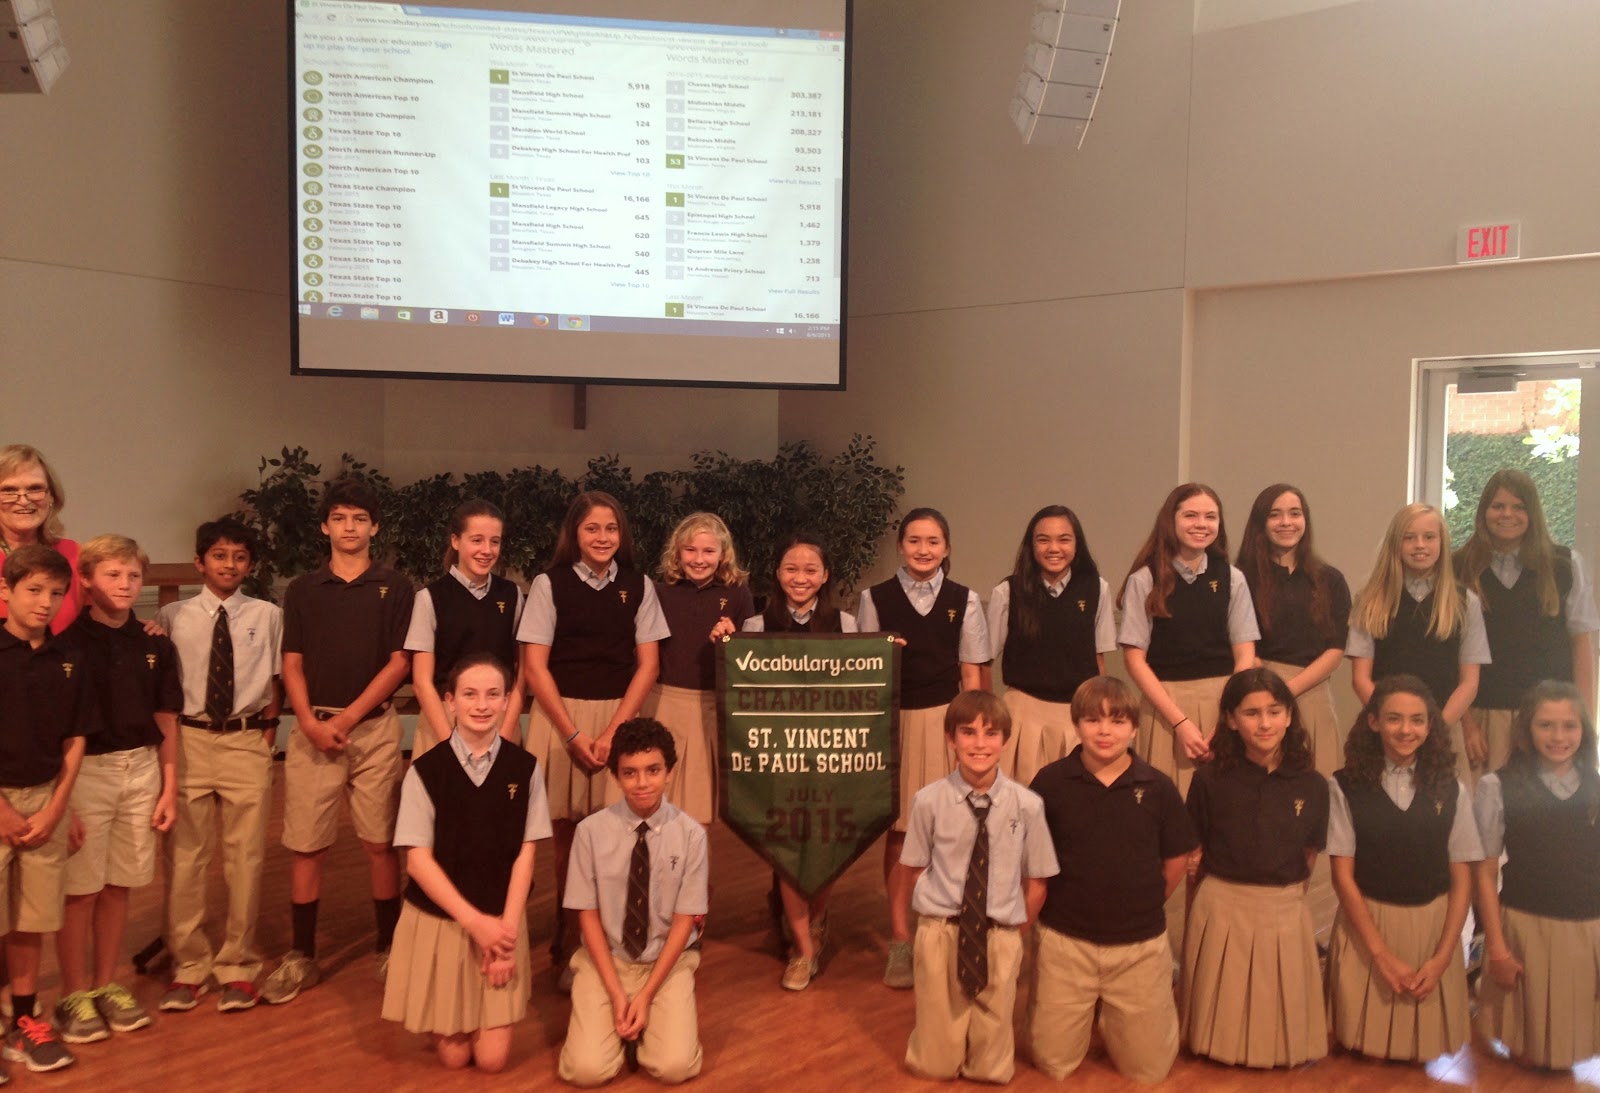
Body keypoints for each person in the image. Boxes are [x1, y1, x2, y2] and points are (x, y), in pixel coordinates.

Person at [264, 477, 415, 1004]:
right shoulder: (303, 589)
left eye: (360, 519)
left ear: (375, 527)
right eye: (340, 518)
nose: (350, 527)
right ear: (325, 526)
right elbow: (292, 662)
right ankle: (301, 955)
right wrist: (306, 722)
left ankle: (388, 945)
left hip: (373, 730)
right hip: (313, 730)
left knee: (380, 842)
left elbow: (400, 662)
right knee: (307, 844)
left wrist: (349, 718)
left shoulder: (395, 587)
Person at [517, 491, 667, 990]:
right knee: (566, 840)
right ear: (574, 534)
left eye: (611, 528)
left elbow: (648, 665)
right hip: (560, 718)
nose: (603, 537)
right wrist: (573, 733)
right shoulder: (549, 584)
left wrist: (614, 732)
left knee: (617, 839)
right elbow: (534, 667)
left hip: (618, 719)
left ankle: (614, 941)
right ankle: (568, 942)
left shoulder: (639, 586)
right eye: (592, 528)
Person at [382, 653, 549, 1073]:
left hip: (501, 921)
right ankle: (449, 1008)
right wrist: (476, 925)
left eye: (493, 694)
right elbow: (418, 864)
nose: (481, 705)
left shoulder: (526, 769)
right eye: (470, 694)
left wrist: (504, 939)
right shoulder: (425, 771)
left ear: (508, 701)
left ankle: (473, 1008)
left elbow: (526, 855)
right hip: (444, 922)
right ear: (450, 701)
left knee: (492, 1061)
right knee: (455, 1058)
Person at [1025, 676, 1196, 1085]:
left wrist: (1146, 900)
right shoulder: (1050, 783)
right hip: (1066, 942)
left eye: (1117, 721)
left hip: (1138, 946)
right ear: (1076, 724)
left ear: (1134, 728)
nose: (1105, 731)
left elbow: (1176, 858)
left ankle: (1117, 1018)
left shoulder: (1158, 787)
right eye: (1093, 720)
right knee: (1052, 1063)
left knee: (1149, 1070)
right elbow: (1030, 858)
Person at [894, 690, 1057, 1083]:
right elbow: (913, 870)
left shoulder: (1028, 806)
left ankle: (983, 1055)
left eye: (991, 733)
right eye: (968, 732)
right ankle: (942, 1047)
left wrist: (1013, 932)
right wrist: (924, 925)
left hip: (998, 932)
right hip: (942, 931)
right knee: (934, 1063)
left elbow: (1037, 881)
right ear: (950, 738)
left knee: (991, 1066)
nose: (980, 744)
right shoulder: (927, 802)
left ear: (1006, 740)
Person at [857, 508, 990, 988]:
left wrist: (970, 735)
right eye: (914, 540)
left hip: (948, 723)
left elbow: (972, 673)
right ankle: (900, 939)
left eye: (933, 541)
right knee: (901, 833)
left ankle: (948, 931)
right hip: (894, 724)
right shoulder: (873, 598)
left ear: (946, 547)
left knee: (954, 831)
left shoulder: (964, 599)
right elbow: (864, 671)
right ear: (901, 546)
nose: (923, 549)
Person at [54, 536, 180, 1044]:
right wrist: (62, 801)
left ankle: (106, 984)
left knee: (118, 884)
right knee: (80, 889)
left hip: (142, 769)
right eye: (112, 575)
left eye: (132, 575)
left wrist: (168, 786)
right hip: (87, 772)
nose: (125, 584)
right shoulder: (65, 646)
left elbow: (166, 717)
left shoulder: (154, 642)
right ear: (85, 580)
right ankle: (73, 994)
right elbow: (59, 729)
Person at [155, 518, 283, 1013]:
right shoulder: (172, 616)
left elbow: (276, 680)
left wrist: (267, 735)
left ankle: (238, 964)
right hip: (189, 740)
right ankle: (189, 964)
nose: (229, 565)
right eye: (220, 555)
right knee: (185, 857)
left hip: (245, 741)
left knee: (245, 858)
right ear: (200, 562)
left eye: (240, 557)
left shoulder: (268, 615)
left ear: (250, 565)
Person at [1326, 675, 1481, 1062]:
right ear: (1373, 722)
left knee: (1419, 1055)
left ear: (1430, 727)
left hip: (1432, 928)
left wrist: (1443, 957)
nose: (1406, 730)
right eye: (1394, 718)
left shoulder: (1452, 789)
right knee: (1363, 1053)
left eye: (1417, 720)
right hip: (1368, 924)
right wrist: (1381, 955)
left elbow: (1462, 878)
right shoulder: (1343, 786)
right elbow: (1342, 877)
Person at [1180, 667, 1328, 1068]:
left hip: (1284, 905)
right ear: (1231, 719)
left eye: (1274, 711)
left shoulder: (1313, 785)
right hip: (1223, 903)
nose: (1265, 723)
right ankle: (1216, 1044)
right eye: (1251, 713)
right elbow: (1195, 854)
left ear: (1290, 716)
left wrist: (1286, 898)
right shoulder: (1209, 779)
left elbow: (1310, 852)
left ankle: (1278, 1049)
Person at [558, 718, 706, 1087]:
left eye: (653, 770)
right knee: (586, 1071)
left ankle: (645, 1025)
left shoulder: (691, 836)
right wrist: (616, 993)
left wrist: (646, 994)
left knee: (675, 1067)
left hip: (665, 961)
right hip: (608, 959)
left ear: (669, 772)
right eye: (630, 773)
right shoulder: (590, 833)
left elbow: (684, 922)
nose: (642, 783)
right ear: (615, 776)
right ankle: (623, 1025)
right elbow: (587, 916)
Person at [0, 545, 96, 1073]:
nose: (45, 602)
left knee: (30, 920)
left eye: (56, 593)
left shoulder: (68, 658)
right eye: (34, 590)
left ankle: (23, 1022)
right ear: (6, 590)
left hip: (45, 799)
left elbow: (75, 737)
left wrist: (58, 806)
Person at [1473, 680, 1600, 1069]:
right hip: (1526, 927)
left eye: (1569, 725)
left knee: (1568, 1053)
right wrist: (1497, 948)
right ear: (1527, 729)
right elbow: (1484, 873)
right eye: (1546, 725)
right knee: (1529, 1053)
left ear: (1584, 730)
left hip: (1587, 927)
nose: (1558, 737)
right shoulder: (1497, 786)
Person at [1117, 483, 1258, 798]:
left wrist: (1228, 715)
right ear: (1171, 520)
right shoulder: (1145, 580)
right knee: (1164, 805)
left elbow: (1245, 653)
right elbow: (1134, 660)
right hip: (1165, 708)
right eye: (1191, 515)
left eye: (1210, 517)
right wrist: (1180, 723)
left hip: (1222, 705)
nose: (1201, 524)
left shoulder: (1233, 578)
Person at [1456, 469, 1600, 777]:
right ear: (1483, 512)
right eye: (1498, 506)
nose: (1507, 514)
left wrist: (1584, 723)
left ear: (1532, 513)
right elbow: (1447, 654)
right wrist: (1465, 723)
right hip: (1483, 718)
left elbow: (1582, 645)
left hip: (1550, 720)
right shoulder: (1458, 567)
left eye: (1518, 507)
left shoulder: (1565, 565)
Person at [1347, 503, 1488, 787]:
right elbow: (1361, 679)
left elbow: (1469, 683)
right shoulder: (1370, 599)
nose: (1419, 545)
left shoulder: (1465, 602)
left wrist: (1434, 729)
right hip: (1385, 736)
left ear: (1442, 543)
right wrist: (1392, 724)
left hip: (1443, 731)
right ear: (1395, 543)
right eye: (1409, 537)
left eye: (1429, 537)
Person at [984, 505, 1116, 786]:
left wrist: (1100, 717)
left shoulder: (1097, 588)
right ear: (1031, 545)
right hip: (1022, 716)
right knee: (1022, 803)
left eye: (1064, 539)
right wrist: (987, 717)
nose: (1054, 548)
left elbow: (1098, 660)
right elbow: (983, 661)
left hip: (1077, 717)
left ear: (1077, 544)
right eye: (1043, 540)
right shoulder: (1008, 592)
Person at [646, 513, 753, 826]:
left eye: (708, 551)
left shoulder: (738, 594)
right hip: (662, 702)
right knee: (655, 802)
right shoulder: (658, 592)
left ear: (723, 554)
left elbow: (749, 658)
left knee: (699, 807)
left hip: (710, 706)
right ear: (677, 552)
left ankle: (694, 860)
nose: (699, 559)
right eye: (690, 550)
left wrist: (732, 639)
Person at [406, 499, 524, 759]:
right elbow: (421, 682)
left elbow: (522, 671)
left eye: (495, 541)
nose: (487, 550)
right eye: (477, 540)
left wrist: (505, 734)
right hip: (443, 720)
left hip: (500, 719)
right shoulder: (430, 598)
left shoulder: (512, 595)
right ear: (456, 541)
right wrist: (450, 743)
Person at [0, 445, 81, 633]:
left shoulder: (76, 555)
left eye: (35, 488)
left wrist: (142, 627)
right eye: (9, 490)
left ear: (51, 496)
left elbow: (101, 620)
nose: (23, 500)